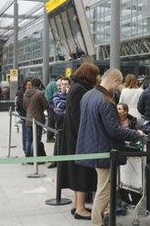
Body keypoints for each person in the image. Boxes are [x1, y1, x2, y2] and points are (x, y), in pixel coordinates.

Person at [75, 69, 144, 225]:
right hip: (104, 150)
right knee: (104, 190)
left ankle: (106, 217)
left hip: (91, 147)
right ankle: (97, 222)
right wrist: (136, 133)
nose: (118, 87)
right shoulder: (106, 100)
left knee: (103, 186)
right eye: (118, 83)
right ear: (114, 81)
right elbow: (114, 130)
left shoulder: (88, 95)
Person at [58, 63, 100, 219]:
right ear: (89, 75)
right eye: (95, 75)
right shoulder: (80, 90)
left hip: (73, 135)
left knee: (77, 170)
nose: (97, 78)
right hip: (78, 137)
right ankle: (80, 208)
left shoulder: (75, 87)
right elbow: (79, 117)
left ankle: (77, 205)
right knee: (81, 171)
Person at [47, 77, 70, 169]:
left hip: (68, 120)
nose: (63, 86)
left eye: (65, 84)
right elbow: (59, 105)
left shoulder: (70, 94)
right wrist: (68, 101)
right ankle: (55, 160)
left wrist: (68, 97)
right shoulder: (56, 94)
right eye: (62, 84)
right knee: (58, 141)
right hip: (59, 120)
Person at [23, 78, 48, 158]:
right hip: (38, 120)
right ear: (40, 85)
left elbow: (24, 106)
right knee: (36, 139)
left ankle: (28, 156)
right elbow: (46, 105)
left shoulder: (26, 94)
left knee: (29, 139)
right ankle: (33, 156)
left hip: (28, 119)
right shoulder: (40, 93)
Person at [16, 78, 32, 156]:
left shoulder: (31, 92)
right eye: (28, 85)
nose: (30, 86)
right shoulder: (21, 93)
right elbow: (20, 105)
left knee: (28, 134)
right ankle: (26, 149)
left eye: (30, 85)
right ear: (25, 85)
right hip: (25, 115)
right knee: (25, 133)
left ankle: (28, 149)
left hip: (30, 115)